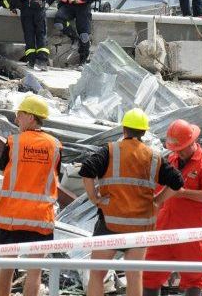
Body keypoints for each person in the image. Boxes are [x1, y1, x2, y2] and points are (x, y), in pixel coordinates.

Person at [79, 108, 183, 296]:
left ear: (124, 129)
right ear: (144, 132)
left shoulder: (110, 151)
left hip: (110, 223)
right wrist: (157, 201)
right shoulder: (153, 156)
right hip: (140, 226)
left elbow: (86, 170)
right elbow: (178, 181)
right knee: (135, 276)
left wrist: (94, 198)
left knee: (96, 274)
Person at [142, 120, 202, 296]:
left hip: (191, 231)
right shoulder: (171, 160)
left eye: (181, 149)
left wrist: (182, 193)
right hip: (163, 228)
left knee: (193, 277)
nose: (177, 152)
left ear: (193, 142)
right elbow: (158, 194)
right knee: (149, 274)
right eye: (175, 149)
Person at [0, 94, 62, 296]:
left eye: (20, 115)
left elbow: (1, 170)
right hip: (40, 218)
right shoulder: (55, 145)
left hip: (12, 217)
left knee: (6, 267)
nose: (17, 119)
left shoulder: (13, 142)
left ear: (31, 117)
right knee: (35, 270)